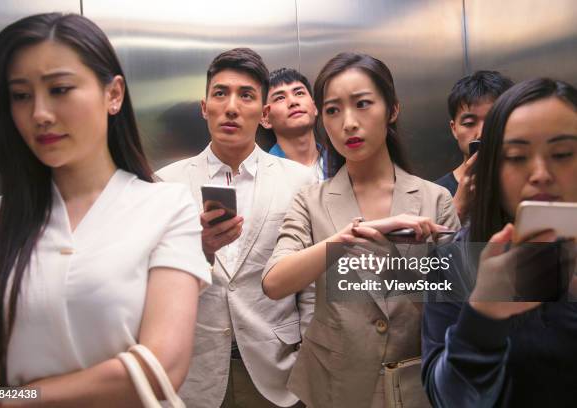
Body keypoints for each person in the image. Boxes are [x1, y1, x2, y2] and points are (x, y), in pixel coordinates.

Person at [0, 13, 210, 406]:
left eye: (59, 89)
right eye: (21, 95)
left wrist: (16, 399)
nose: (39, 113)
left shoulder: (165, 205)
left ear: (113, 95)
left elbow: (162, 366)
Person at [262, 52, 460, 408]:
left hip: (419, 386)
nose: (348, 123)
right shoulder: (310, 201)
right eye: (333, 110)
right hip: (337, 386)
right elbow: (275, 281)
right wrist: (345, 239)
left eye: (363, 104)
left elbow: (457, 305)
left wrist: (397, 260)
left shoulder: (435, 199)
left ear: (393, 110)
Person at [156, 48, 314, 408]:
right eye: (220, 93)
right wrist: (201, 250)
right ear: (204, 106)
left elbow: (311, 284)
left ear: (263, 113)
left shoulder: (300, 181)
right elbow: (151, 283)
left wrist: (308, 356)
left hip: (279, 374)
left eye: (245, 95)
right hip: (193, 375)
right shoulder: (164, 184)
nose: (231, 107)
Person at [422, 78, 577, 407]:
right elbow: (447, 400)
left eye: (562, 153)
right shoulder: (456, 260)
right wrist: (483, 315)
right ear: (492, 167)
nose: (540, 173)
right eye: (517, 157)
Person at [435, 71, 513, 221]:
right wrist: (457, 209)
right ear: (454, 129)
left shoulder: (528, 182)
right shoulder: (435, 195)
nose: (482, 133)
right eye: (469, 123)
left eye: (494, 120)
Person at [262, 68, 327, 181]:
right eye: (280, 98)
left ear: (315, 107)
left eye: (299, 93)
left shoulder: (342, 165)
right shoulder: (260, 174)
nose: (293, 102)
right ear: (265, 118)